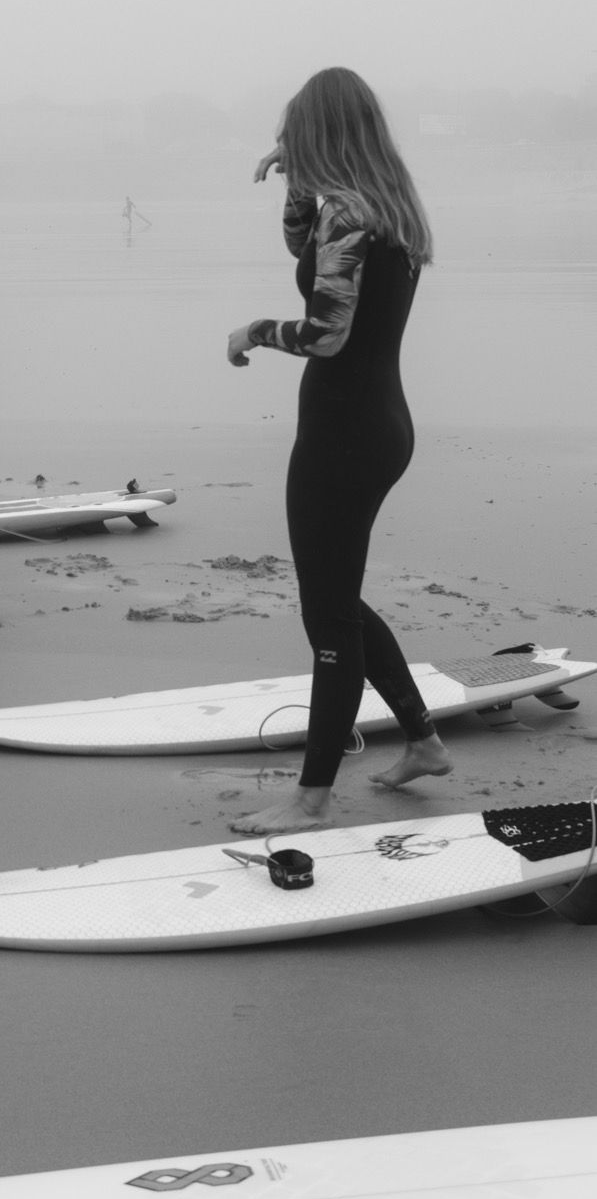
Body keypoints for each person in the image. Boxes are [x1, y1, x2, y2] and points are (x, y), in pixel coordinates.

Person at [223, 68, 449, 835]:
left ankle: (310, 798)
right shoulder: (383, 210)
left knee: (325, 613)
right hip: (378, 423)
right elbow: (310, 258)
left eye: (293, 132)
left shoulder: (346, 215)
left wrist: (253, 332)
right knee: (337, 596)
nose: (285, 144)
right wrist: (294, 193)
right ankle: (421, 742)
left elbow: (324, 332)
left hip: (341, 434)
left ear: (316, 131)